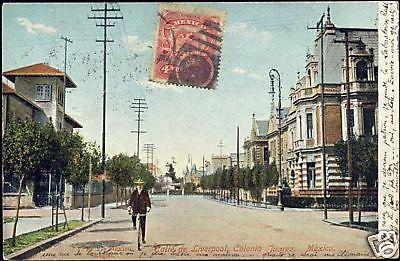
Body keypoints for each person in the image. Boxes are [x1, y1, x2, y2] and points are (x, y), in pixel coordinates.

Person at [128, 178, 151, 244]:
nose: (139, 186)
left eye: (141, 184)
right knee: (133, 215)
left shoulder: (145, 192)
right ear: (136, 185)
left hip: (143, 208)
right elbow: (131, 199)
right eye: (138, 185)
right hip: (135, 207)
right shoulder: (134, 192)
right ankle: (134, 224)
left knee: (143, 224)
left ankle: (143, 238)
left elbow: (147, 200)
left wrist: (148, 206)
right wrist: (129, 206)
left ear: (142, 185)